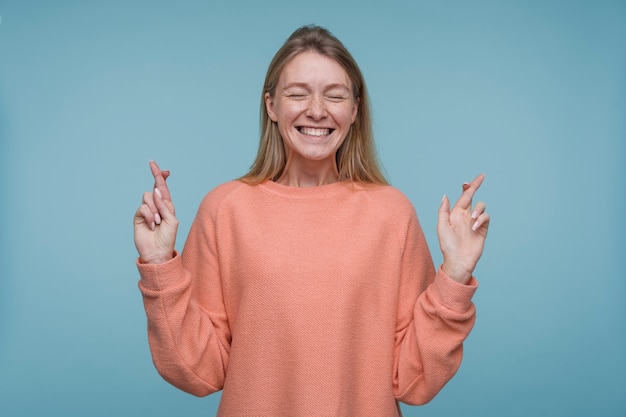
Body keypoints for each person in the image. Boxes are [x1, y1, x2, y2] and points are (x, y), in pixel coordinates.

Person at [134, 25, 490, 416]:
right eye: (298, 94)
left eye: (334, 96)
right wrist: (158, 266)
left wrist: (454, 275)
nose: (317, 110)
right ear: (271, 106)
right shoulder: (225, 210)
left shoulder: (391, 214)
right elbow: (198, 371)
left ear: (355, 110)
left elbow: (412, 380)